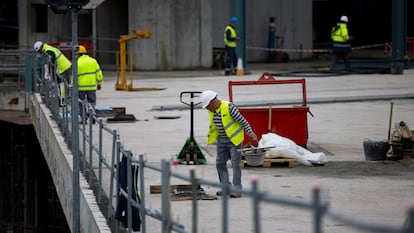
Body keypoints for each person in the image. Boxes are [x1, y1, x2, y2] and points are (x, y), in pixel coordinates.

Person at [200, 90, 258, 198]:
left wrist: (251, 133)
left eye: (208, 106)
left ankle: (236, 190)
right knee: (220, 163)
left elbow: (243, 121)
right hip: (221, 141)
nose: (207, 109)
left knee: (235, 165)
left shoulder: (229, 108)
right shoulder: (211, 110)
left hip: (234, 141)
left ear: (213, 102)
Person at [34, 41, 72, 105]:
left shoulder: (48, 50)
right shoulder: (48, 49)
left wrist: (49, 70)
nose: (39, 53)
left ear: (40, 48)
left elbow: (51, 60)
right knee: (62, 85)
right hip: (63, 67)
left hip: (64, 68)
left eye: (38, 51)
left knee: (64, 85)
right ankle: (63, 101)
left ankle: (64, 101)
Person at [76, 45, 103, 122]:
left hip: (80, 87)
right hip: (91, 87)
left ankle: (83, 119)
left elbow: (74, 76)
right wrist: (99, 83)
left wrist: (73, 85)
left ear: (78, 54)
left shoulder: (77, 63)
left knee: (81, 103)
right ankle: (92, 116)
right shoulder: (93, 61)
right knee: (92, 102)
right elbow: (99, 73)